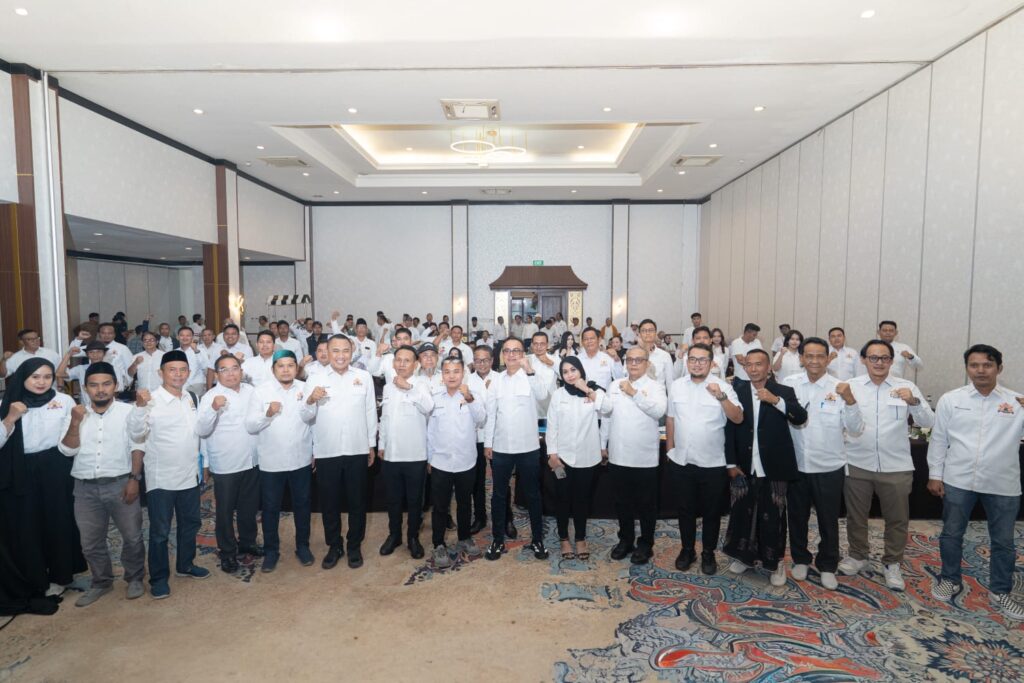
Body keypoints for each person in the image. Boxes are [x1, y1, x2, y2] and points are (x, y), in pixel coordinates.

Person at [928, 344, 1024, 620]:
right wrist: (935, 474)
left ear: (999, 368)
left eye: (988, 365)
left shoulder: (1017, 402)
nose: (981, 370)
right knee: (951, 534)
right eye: (974, 365)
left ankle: (1000, 591)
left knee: (1003, 541)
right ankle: (950, 579)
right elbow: (939, 438)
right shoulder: (951, 399)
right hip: (958, 479)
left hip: (1002, 483)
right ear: (967, 368)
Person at [838, 339, 934, 590]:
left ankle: (892, 563)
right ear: (863, 360)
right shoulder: (851, 386)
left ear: (892, 361)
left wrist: (914, 402)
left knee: (897, 519)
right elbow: (847, 425)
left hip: (896, 465)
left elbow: (928, 422)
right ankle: (858, 555)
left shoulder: (906, 386)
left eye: (884, 358)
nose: (879, 363)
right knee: (856, 516)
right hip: (857, 462)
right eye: (873, 358)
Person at [59, 362, 146, 606]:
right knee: (90, 542)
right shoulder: (75, 414)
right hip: (85, 487)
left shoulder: (128, 411)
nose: (100, 390)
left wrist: (134, 479)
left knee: (132, 536)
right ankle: (101, 582)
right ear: (85, 387)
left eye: (106, 384)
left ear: (115, 386)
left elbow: (138, 445)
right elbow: (67, 450)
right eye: (94, 385)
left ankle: (135, 577)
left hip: (121, 482)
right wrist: (75, 422)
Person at [0, 358, 82, 613]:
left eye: (47, 376)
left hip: (55, 468)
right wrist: (10, 417)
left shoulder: (64, 401)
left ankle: (60, 576)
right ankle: (34, 577)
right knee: (26, 525)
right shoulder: (7, 403)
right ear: (23, 377)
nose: (41, 382)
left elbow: (69, 444)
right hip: (18, 471)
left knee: (57, 521)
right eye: (35, 377)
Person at [782, 337, 863, 591]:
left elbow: (856, 428)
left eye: (820, 356)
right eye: (809, 356)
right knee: (797, 517)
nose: (814, 361)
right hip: (796, 465)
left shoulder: (841, 387)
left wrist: (850, 400)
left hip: (829, 466)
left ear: (828, 359)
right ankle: (801, 559)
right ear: (801, 358)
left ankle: (828, 565)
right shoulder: (789, 384)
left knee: (829, 520)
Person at [129, 350, 209, 599]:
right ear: (160, 372)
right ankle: (159, 578)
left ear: (189, 372)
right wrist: (139, 407)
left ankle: (185, 565)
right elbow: (135, 434)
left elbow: (198, 433)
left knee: (190, 524)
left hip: (189, 475)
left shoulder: (191, 397)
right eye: (172, 370)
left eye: (183, 370)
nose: (178, 374)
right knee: (160, 532)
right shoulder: (149, 400)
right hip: (161, 478)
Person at [724, 349, 807, 585]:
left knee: (774, 516)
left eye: (758, 364)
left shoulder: (783, 391)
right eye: (749, 364)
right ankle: (744, 557)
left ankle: (775, 562)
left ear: (768, 367)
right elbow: (729, 428)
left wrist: (776, 401)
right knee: (743, 512)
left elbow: (800, 417)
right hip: (745, 464)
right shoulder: (737, 390)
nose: (753, 369)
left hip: (775, 464)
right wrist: (730, 462)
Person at [666, 343, 743, 575]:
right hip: (682, 461)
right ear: (687, 361)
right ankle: (687, 550)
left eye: (702, 360)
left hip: (713, 463)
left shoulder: (723, 387)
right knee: (685, 510)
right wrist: (670, 450)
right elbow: (671, 418)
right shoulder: (677, 386)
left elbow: (738, 417)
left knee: (711, 512)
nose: (697, 364)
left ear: (711, 363)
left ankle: (708, 553)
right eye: (693, 359)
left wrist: (721, 397)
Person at [302, 335, 378, 570]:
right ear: (327, 352)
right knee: (330, 503)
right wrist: (310, 400)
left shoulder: (363, 377)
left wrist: (370, 444)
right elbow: (305, 416)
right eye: (335, 351)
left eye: (345, 350)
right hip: (327, 450)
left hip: (357, 448)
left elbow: (370, 412)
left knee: (357, 501)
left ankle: (354, 545)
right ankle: (334, 545)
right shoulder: (315, 378)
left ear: (352, 351)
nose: (341, 355)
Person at [483, 337, 552, 561]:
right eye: (507, 351)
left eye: (516, 351)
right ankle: (497, 540)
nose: (511, 355)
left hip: (528, 447)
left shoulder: (532, 376)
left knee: (533, 494)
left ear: (523, 354)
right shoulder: (496, 381)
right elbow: (491, 414)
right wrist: (488, 443)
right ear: (502, 355)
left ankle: (537, 539)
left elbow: (543, 395)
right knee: (498, 495)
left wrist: (530, 370)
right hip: (502, 447)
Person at [245, 350, 315, 572]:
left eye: (290, 365)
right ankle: (271, 551)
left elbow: (313, 421)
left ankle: (302, 546)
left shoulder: (305, 389)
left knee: (302, 506)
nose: (286, 370)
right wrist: (267, 414)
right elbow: (250, 426)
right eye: (281, 366)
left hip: (300, 459)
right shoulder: (261, 391)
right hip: (271, 461)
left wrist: (315, 450)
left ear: (297, 368)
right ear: (273, 369)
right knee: (270, 508)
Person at [601, 347, 666, 565]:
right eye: (630, 360)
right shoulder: (615, 384)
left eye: (639, 360)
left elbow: (659, 412)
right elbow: (607, 416)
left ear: (647, 363)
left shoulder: (656, 386)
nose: (634, 364)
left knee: (647, 505)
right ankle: (626, 540)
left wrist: (634, 393)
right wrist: (602, 444)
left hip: (644, 457)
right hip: (618, 454)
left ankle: (646, 543)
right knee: (622, 503)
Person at [196, 355, 261, 573]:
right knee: (224, 511)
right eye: (224, 370)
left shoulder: (251, 391)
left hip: (251, 460)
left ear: (241, 371)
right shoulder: (210, 397)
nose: (231, 373)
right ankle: (227, 551)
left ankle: (248, 542)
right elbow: (201, 430)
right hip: (226, 463)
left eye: (235, 368)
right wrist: (213, 408)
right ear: (216, 374)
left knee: (249, 507)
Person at [426, 356, 486, 567]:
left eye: (456, 371)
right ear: (442, 375)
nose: (452, 376)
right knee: (440, 506)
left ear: (463, 374)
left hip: (466, 460)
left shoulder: (472, 395)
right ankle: (438, 543)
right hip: (440, 462)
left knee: (464, 503)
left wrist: (469, 398)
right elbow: (430, 432)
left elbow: (481, 419)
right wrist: (430, 458)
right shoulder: (434, 398)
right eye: (447, 371)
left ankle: (464, 537)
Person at [546, 356, 606, 561]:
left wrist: (587, 390)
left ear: (581, 370)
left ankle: (580, 538)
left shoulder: (594, 391)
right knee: (562, 499)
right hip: (562, 458)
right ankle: (564, 538)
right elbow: (552, 426)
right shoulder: (558, 395)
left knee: (582, 499)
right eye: (565, 372)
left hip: (587, 457)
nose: (570, 375)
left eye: (573, 370)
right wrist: (552, 454)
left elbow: (608, 409)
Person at [377, 346, 434, 559]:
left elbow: (428, 406)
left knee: (414, 500)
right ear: (393, 363)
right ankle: (394, 535)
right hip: (391, 454)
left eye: (407, 360)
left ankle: (412, 537)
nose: (401, 364)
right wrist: (381, 444)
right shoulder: (388, 387)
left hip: (415, 455)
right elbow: (384, 419)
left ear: (416, 364)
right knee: (393, 499)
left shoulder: (421, 384)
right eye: (398, 360)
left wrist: (408, 387)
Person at [466, 345, 497, 535]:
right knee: (476, 481)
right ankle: (480, 517)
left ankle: (505, 517)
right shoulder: (467, 380)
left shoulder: (500, 379)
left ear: (492, 361)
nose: (482, 364)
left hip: (496, 437)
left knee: (500, 479)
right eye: (477, 360)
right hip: (476, 436)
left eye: (485, 360)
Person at [60, 341, 124, 408]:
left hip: (109, 408)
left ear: (104, 353)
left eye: (99, 352)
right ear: (87, 354)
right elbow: (60, 374)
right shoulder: (81, 369)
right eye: (91, 352)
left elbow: (117, 391)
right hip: (87, 409)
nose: (95, 355)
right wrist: (68, 355)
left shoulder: (114, 369)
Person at [637, 319, 674, 395]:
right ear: (639, 334)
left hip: (658, 398)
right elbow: (626, 377)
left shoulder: (665, 356)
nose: (647, 333)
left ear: (655, 333)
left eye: (651, 330)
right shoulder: (632, 354)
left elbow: (670, 383)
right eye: (644, 331)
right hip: (636, 397)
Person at [176, 326, 209, 399]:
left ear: (192, 337)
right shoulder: (175, 352)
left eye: (188, 335)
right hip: (180, 385)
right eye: (182, 335)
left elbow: (205, 367)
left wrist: (196, 351)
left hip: (196, 385)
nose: (185, 338)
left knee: (196, 404)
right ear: (177, 337)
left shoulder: (200, 350)